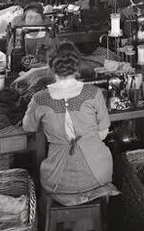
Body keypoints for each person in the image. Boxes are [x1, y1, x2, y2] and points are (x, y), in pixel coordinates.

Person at [21, 43, 118, 207]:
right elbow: (102, 133)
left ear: (51, 67)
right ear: (77, 66)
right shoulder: (94, 93)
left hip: (57, 180)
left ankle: (46, 222)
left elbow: (28, 127)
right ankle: (104, 220)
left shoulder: (39, 99)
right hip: (99, 175)